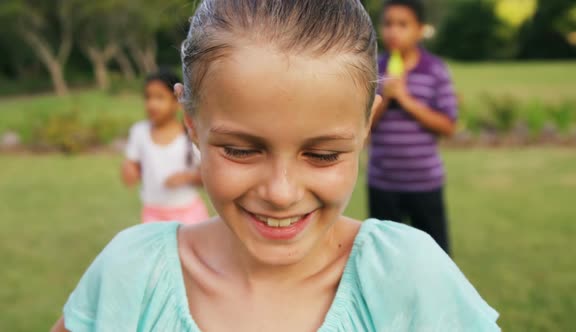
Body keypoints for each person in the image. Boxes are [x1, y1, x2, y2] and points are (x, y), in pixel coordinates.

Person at [51, 1, 498, 331]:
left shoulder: (411, 276)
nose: (281, 192)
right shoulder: (128, 276)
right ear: (191, 124)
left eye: (323, 155)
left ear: (366, 128)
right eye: (241, 150)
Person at [369, 0, 458, 254]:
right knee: (385, 258)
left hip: (424, 183)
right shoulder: (373, 68)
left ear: (419, 30)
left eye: (403, 24)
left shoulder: (435, 70)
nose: (393, 31)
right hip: (383, 183)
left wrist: (406, 99)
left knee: (434, 256)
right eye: (388, 24)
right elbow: (362, 127)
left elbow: (448, 126)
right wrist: (385, 98)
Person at [121, 69, 209, 224]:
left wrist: (187, 177)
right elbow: (131, 168)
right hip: (153, 214)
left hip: (188, 214)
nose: (152, 104)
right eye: (148, 97)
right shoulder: (139, 131)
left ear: (177, 102)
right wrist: (130, 170)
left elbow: (207, 176)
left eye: (160, 97)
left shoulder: (190, 134)